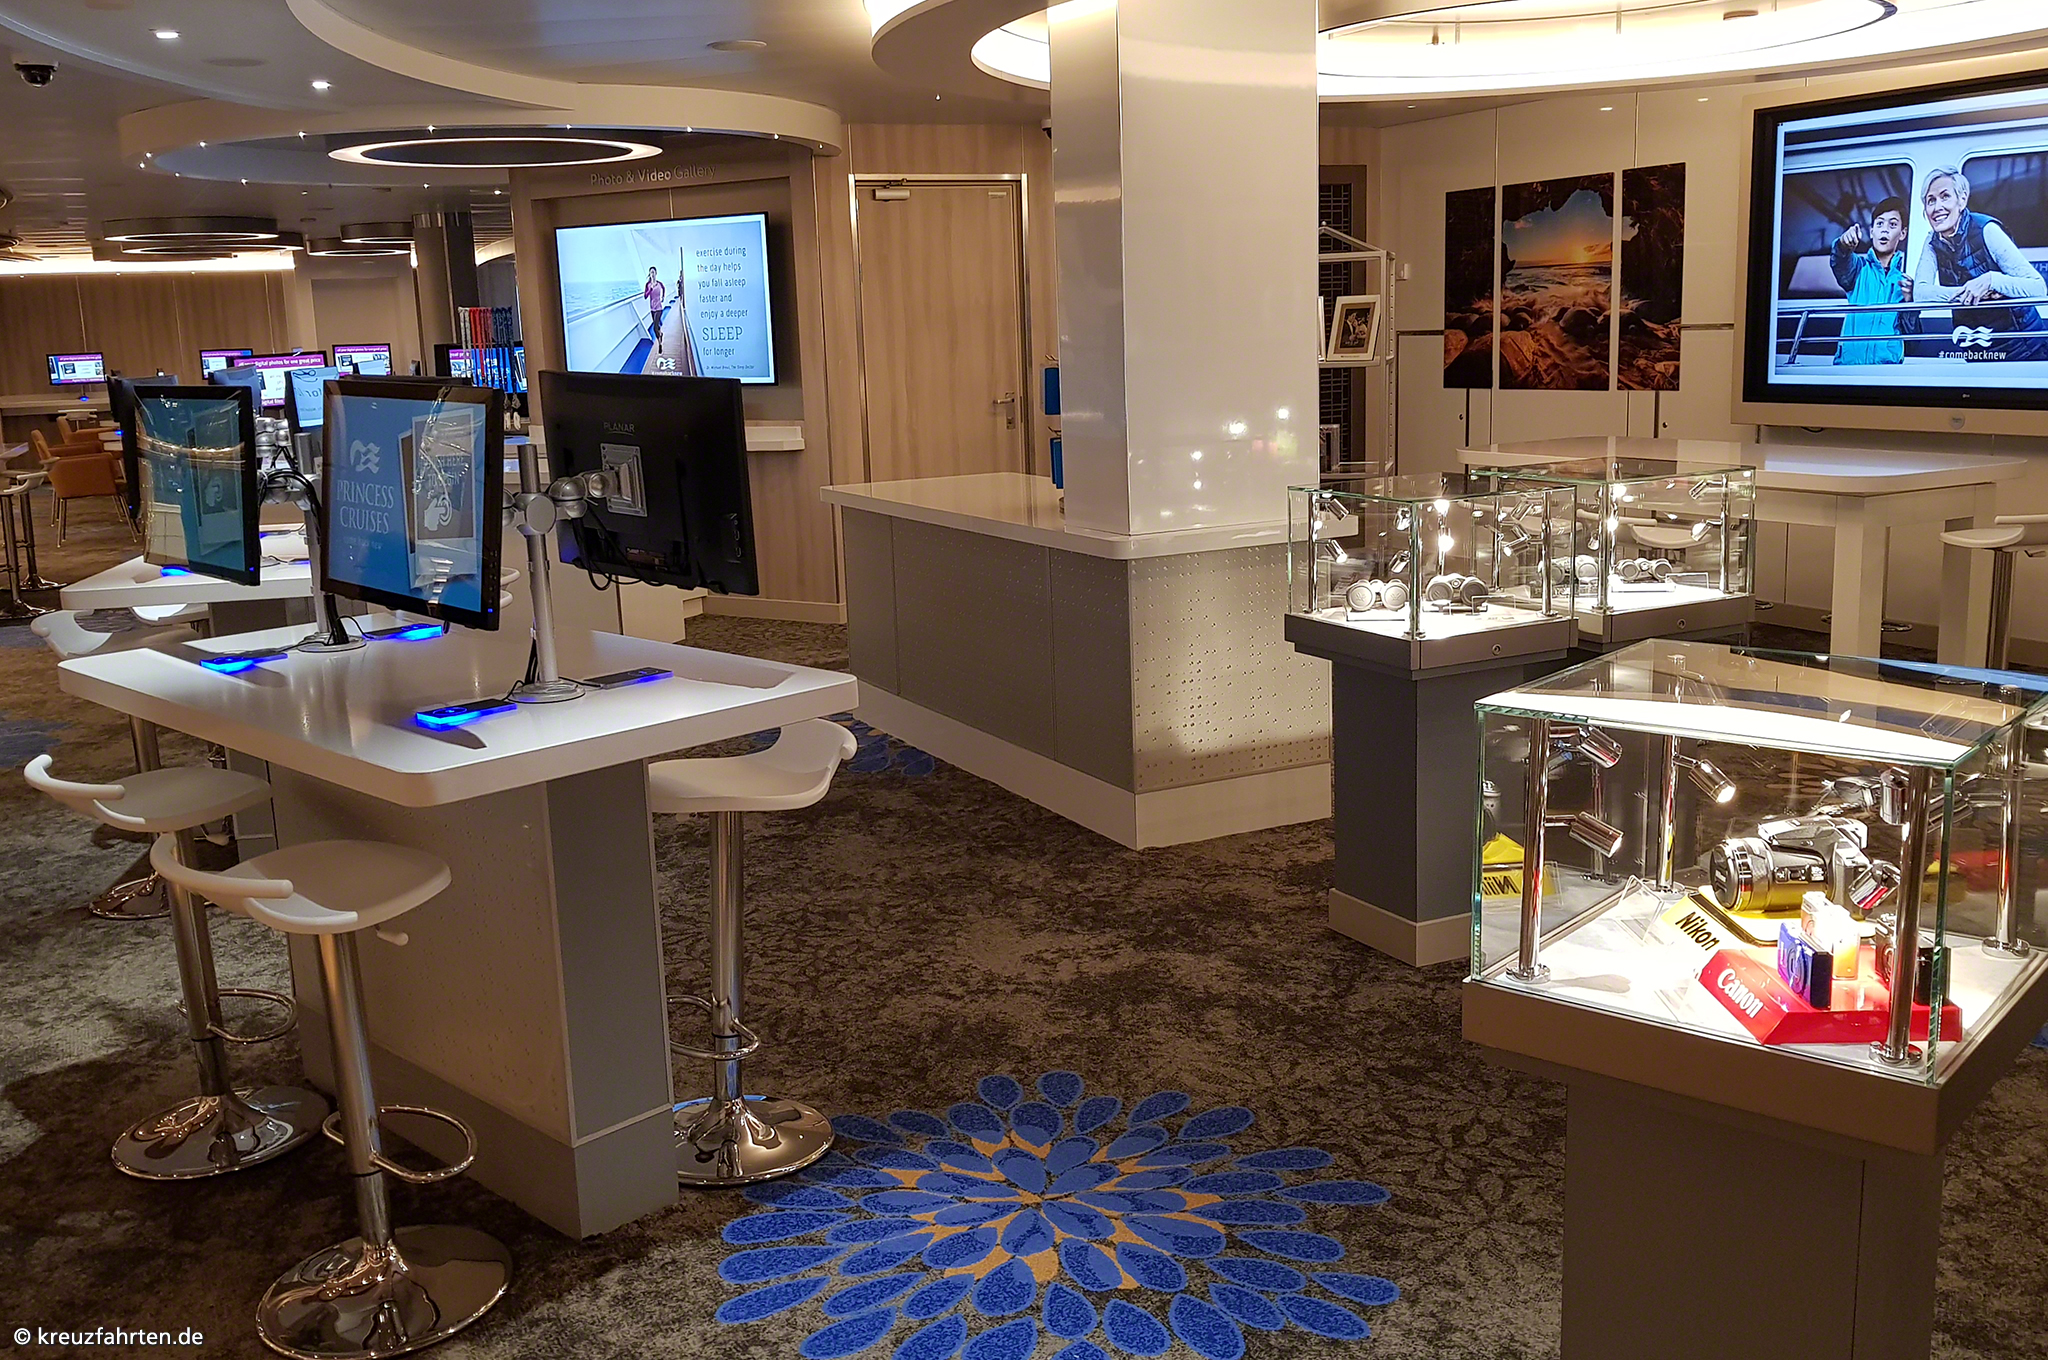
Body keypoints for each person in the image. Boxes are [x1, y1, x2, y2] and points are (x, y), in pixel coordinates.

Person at [1905, 166, 2048, 362]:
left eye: (1945, 196)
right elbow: (1921, 293)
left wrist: (1992, 281)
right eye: (1931, 200)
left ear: (1962, 200)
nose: (1937, 207)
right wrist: (1971, 291)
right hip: (1977, 349)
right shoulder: (1932, 242)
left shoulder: (1987, 230)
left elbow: (2038, 287)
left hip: (2024, 347)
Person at [1828, 196, 1910, 366]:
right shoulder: (1858, 268)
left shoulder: (1905, 283)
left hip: (1887, 371)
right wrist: (1843, 245)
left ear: (1903, 233)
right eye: (1879, 224)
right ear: (1872, 231)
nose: (1884, 230)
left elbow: (1913, 340)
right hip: (1848, 367)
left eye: (1892, 224)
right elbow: (1840, 262)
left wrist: (1910, 304)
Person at [643, 265, 666, 343]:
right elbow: (645, 296)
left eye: (653, 272)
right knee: (657, 326)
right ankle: (660, 335)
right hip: (652, 308)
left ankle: (659, 341)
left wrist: (663, 297)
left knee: (655, 327)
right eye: (651, 273)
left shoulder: (659, 284)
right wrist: (650, 290)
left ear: (656, 273)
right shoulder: (648, 285)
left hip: (659, 308)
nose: (652, 274)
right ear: (649, 274)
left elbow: (664, 288)